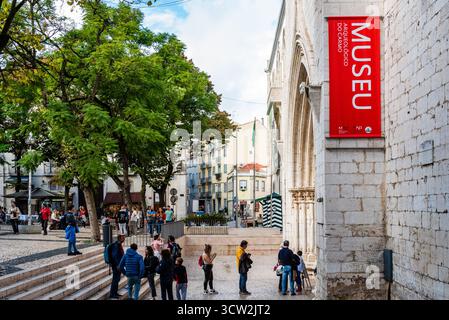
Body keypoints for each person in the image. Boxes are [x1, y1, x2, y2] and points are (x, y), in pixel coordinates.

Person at [107, 234, 126, 299]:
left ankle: (115, 293)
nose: (124, 238)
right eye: (123, 237)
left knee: (117, 279)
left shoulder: (118, 244)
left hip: (118, 265)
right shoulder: (116, 245)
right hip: (116, 266)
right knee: (115, 280)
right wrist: (118, 265)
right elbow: (115, 256)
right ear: (120, 238)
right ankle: (112, 294)